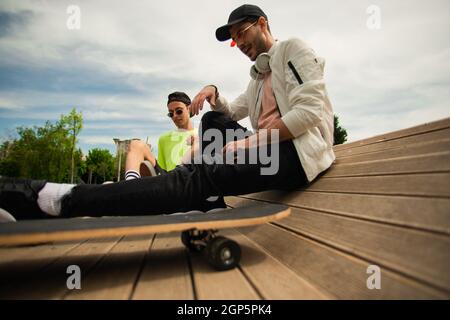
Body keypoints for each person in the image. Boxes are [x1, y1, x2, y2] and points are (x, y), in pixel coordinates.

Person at [0, 4, 335, 220]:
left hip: (296, 155)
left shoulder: (293, 48)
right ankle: (209, 189)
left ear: (263, 24)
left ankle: (66, 199)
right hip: (270, 151)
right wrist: (213, 93)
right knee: (212, 118)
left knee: (201, 171)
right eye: (235, 40)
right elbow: (231, 114)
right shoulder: (258, 78)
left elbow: (309, 113)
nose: (240, 44)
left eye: (242, 34)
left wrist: (245, 145)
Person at [124, 91, 196, 180]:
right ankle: (131, 185)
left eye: (179, 111)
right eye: (171, 113)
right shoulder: (164, 139)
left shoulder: (201, 135)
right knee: (136, 144)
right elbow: (162, 167)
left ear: (189, 108)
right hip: (167, 179)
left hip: (189, 181)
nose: (175, 116)